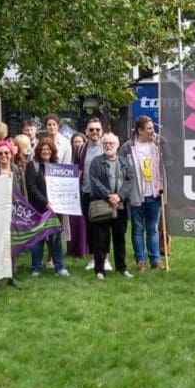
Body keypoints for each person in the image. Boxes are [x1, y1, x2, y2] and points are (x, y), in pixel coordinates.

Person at [84, 132, 135, 279]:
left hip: (120, 207)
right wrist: (109, 195)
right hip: (102, 205)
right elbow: (94, 181)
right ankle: (99, 270)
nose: (108, 146)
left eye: (111, 143)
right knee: (100, 239)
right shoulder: (95, 162)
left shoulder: (125, 162)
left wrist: (119, 196)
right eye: (105, 143)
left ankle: (122, 268)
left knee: (120, 238)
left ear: (117, 145)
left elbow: (129, 181)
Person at [123, 116, 165, 272]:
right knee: (137, 229)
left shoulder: (158, 145)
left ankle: (155, 259)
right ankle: (140, 260)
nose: (152, 131)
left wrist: (163, 144)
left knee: (153, 228)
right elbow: (122, 168)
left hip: (154, 194)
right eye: (148, 128)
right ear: (139, 130)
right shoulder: (128, 147)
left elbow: (169, 162)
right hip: (136, 195)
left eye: (152, 128)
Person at [25, 139, 69, 277]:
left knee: (56, 238)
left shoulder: (57, 166)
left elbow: (64, 185)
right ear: (38, 151)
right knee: (38, 239)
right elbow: (31, 188)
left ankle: (59, 267)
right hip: (38, 209)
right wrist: (45, 202)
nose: (46, 151)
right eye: (43, 149)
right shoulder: (33, 166)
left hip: (55, 209)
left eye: (49, 149)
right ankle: (36, 268)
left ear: (53, 151)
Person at [67, 133, 91, 259]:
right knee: (72, 221)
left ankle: (83, 248)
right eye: (75, 142)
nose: (77, 144)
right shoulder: (70, 155)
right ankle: (71, 248)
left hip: (82, 190)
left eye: (79, 142)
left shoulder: (84, 154)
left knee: (82, 221)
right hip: (71, 192)